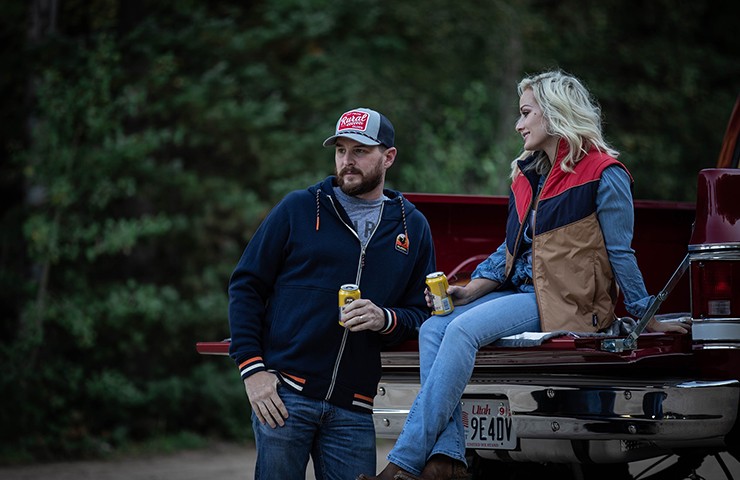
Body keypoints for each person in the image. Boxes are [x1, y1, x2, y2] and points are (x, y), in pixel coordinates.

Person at [358, 70, 691, 480]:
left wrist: (646, 315)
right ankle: (445, 458)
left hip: (569, 301)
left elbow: (621, 252)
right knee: (433, 327)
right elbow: (509, 251)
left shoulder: (605, 173)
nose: (519, 124)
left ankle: (404, 463)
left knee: (460, 332)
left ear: (554, 113)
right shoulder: (528, 174)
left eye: (526, 113)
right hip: (526, 293)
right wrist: (470, 290)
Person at [227, 107, 437, 480]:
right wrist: (252, 371)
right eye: (341, 150)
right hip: (285, 395)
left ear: (388, 157)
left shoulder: (412, 227)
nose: (347, 160)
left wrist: (384, 318)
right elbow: (246, 285)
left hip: (354, 406)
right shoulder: (299, 208)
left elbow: (423, 313)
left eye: (360, 151)